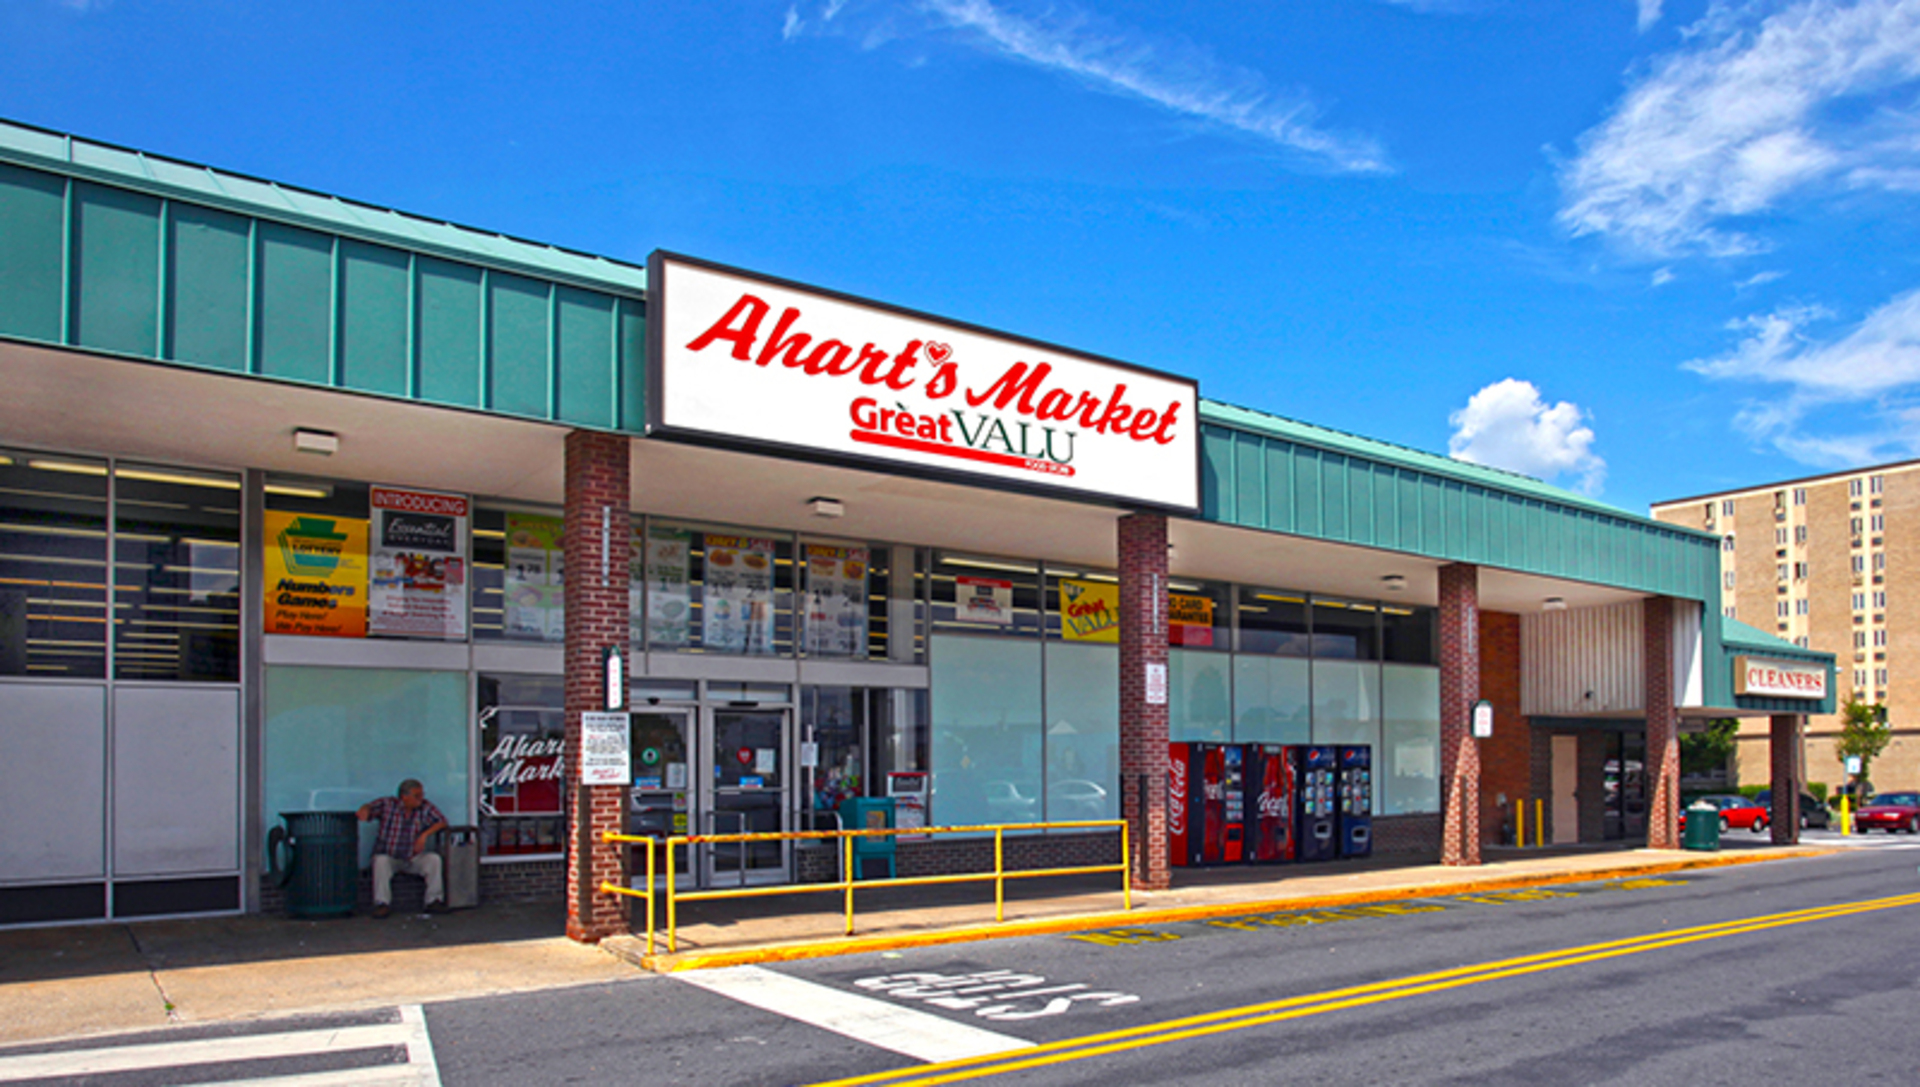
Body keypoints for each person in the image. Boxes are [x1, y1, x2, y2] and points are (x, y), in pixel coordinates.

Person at [357, 778, 449, 918]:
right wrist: (365, 809)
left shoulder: (425, 807)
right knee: (380, 861)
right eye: (416, 795)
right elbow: (370, 808)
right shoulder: (388, 804)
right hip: (391, 856)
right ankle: (382, 904)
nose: (420, 798)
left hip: (412, 857)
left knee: (434, 859)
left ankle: (433, 901)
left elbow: (442, 822)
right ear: (404, 796)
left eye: (421, 794)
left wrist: (424, 835)